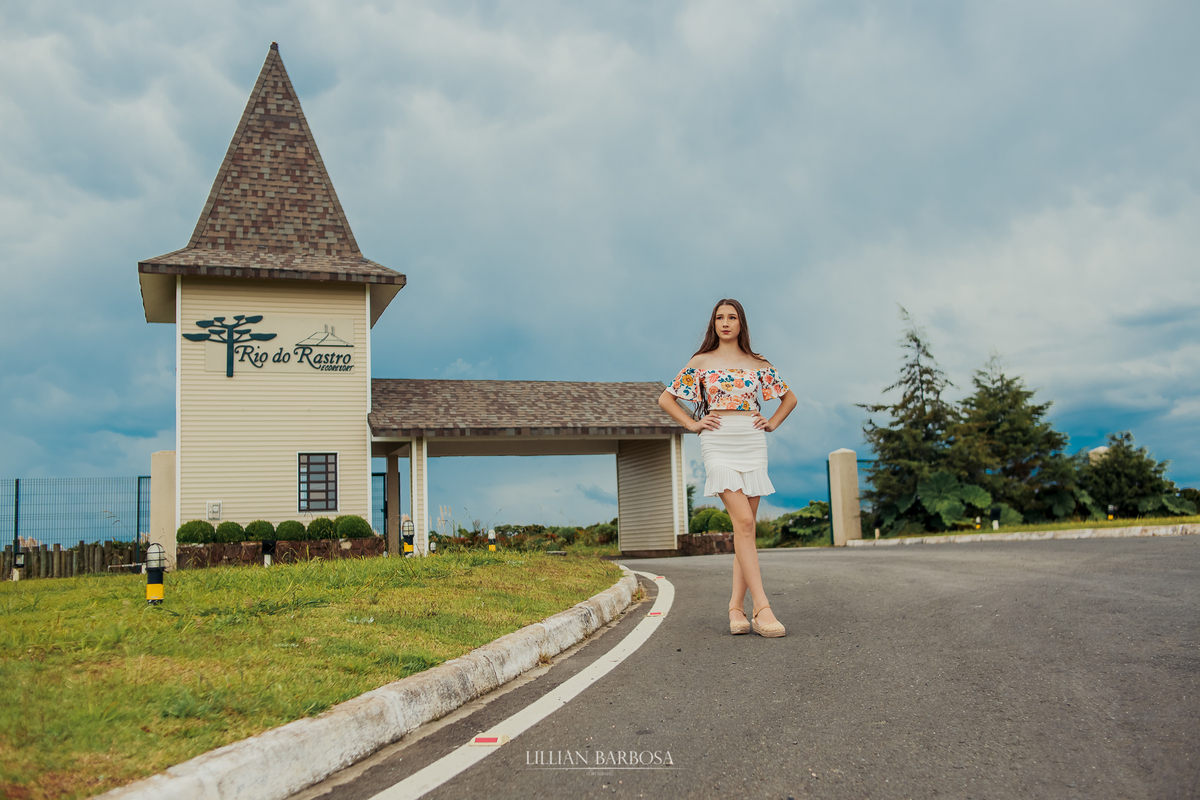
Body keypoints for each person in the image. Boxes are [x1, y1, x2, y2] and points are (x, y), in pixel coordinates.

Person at [658, 298, 797, 637]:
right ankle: (762, 608)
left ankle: (736, 608)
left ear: (741, 323)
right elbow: (666, 398)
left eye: (731, 317)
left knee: (743, 531)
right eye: (719, 317)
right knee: (746, 522)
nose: (725, 323)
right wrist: (693, 425)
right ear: (713, 324)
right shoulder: (701, 362)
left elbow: (789, 398)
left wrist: (772, 422)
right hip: (718, 442)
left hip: (752, 441)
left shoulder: (758, 363)